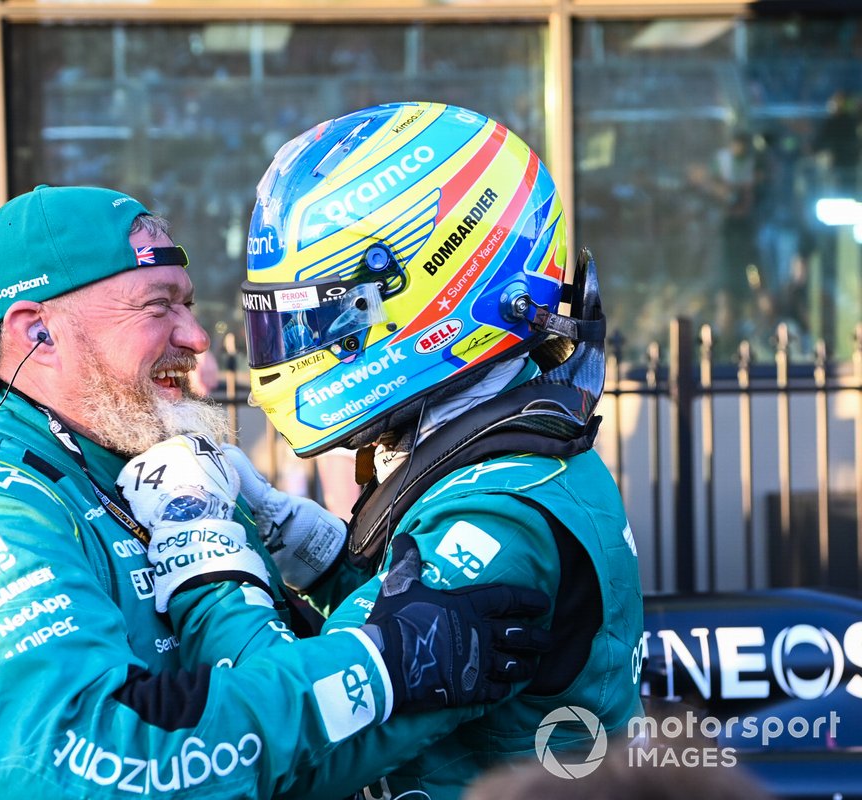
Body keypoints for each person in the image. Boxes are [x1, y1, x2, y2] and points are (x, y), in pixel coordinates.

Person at [0, 184, 553, 798]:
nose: (195, 337)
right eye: (159, 306)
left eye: (189, 305)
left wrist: (336, 573)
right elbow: (105, 765)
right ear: (39, 331)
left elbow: (273, 699)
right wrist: (381, 669)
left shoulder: (143, 467)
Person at [115, 102, 645, 799]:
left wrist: (200, 542)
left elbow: (285, 742)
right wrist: (284, 525)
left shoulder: (500, 517)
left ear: (437, 297)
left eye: (323, 317)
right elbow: (399, 613)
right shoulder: (499, 446)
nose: (297, 350)